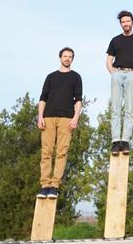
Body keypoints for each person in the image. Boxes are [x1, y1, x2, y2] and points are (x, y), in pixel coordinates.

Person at [36, 47, 83, 199]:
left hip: (67, 119)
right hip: (48, 117)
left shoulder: (76, 77)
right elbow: (43, 98)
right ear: (60, 58)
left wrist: (76, 118)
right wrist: (40, 116)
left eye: (70, 56)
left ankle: (54, 186)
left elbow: (78, 100)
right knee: (46, 152)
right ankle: (45, 186)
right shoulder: (51, 77)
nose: (67, 58)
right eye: (65, 56)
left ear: (72, 59)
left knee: (62, 152)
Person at [106, 10, 133, 155]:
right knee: (115, 109)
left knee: (129, 109)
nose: (125, 24)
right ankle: (115, 141)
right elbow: (108, 60)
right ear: (120, 24)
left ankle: (125, 141)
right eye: (123, 22)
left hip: (132, 74)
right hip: (117, 73)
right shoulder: (115, 40)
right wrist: (113, 73)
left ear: (132, 22)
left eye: (127, 21)